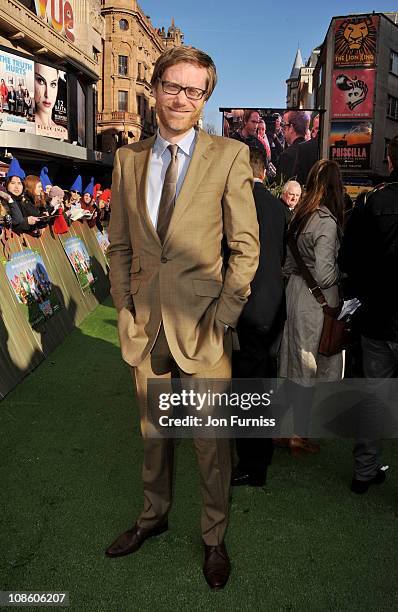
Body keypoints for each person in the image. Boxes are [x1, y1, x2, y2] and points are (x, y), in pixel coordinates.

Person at [105, 45, 259, 590]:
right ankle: (153, 517)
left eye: (194, 91)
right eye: (173, 86)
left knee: (211, 445)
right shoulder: (127, 161)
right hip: (144, 328)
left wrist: (225, 316)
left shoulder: (230, 156)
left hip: (205, 329)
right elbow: (119, 246)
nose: (182, 99)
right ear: (155, 89)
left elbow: (245, 249)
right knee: (153, 436)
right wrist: (124, 309)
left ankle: (214, 538)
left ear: (206, 99)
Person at [338, 136, 398, 493]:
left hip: (377, 318)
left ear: (389, 162)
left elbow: (348, 261)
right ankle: (364, 470)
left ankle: (365, 470)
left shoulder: (372, 202)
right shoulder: (372, 202)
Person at [279, 160, 345, 454]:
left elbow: (289, 265)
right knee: (312, 363)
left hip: (295, 291)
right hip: (318, 300)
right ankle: (299, 433)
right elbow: (324, 273)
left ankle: (285, 427)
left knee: (292, 360)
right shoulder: (326, 222)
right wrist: (344, 274)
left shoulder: (301, 216)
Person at [232, 147, 286, 487]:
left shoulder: (242, 203)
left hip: (248, 306)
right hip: (273, 306)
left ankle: (253, 464)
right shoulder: (279, 206)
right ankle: (260, 454)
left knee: (248, 388)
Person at [5, 160, 41, 236]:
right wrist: (26, 221)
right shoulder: (4, 202)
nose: (17, 187)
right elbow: (10, 225)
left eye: (19, 183)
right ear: (7, 185)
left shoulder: (23, 200)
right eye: (13, 183)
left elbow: (36, 214)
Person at [34, 63, 68, 138]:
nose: (47, 94)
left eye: (53, 84)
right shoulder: (29, 126)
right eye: (41, 81)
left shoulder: (64, 133)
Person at [276, 110, 309, 184]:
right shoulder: (313, 151)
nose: (282, 129)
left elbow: (280, 188)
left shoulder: (287, 155)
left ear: (291, 127)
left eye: (284, 125)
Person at [295, 114, 320, 187]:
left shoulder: (303, 147)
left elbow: (297, 178)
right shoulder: (303, 148)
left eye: (319, 128)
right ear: (313, 129)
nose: (318, 131)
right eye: (316, 128)